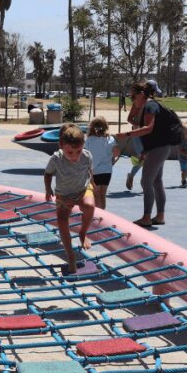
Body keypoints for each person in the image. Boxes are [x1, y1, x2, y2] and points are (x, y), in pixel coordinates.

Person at [121, 81, 176, 228]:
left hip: (158, 149)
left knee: (146, 182)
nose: (132, 100)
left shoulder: (150, 106)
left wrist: (126, 134)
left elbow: (148, 129)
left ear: (141, 94)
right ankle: (160, 216)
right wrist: (145, 150)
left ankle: (146, 217)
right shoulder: (151, 105)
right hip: (160, 147)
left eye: (133, 97)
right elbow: (154, 133)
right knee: (157, 181)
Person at [44, 123, 95, 275]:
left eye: (78, 151)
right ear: (61, 146)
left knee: (90, 206)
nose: (74, 156)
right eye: (70, 152)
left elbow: (89, 171)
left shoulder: (87, 156)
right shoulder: (56, 159)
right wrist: (48, 188)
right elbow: (47, 174)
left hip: (82, 189)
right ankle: (70, 256)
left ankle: (83, 232)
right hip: (64, 194)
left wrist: (93, 183)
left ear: (83, 146)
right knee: (61, 220)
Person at [85, 116, 120, 210]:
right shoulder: (110, 139)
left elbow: (85, 154)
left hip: (94, 171)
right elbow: (117, 152)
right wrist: (112, 158)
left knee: (95, 195)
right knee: (102, 195)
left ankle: (96, 215)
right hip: (106, 171)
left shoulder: (89, 140)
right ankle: (102, 214)